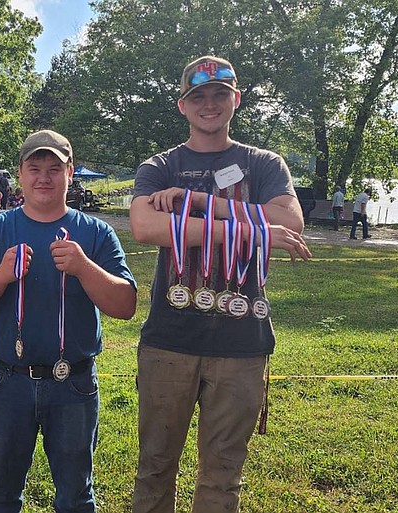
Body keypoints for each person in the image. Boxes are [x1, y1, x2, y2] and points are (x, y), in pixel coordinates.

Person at [128, 55, 311, 513]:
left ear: (236, 99)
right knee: (154, 467)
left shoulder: (263, 163)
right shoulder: (160, 166)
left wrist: (199, 204)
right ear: (182, 106)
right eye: (198, 97)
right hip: (170, 338)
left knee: (223, 476)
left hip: (243, 341)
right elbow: (145, 228)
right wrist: (246, 229)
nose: (209, 104)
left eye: (219, 94)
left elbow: (290, 220)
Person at [0, 129, 138, 513]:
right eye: (34, 168)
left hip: (73, 384)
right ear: (20, 173)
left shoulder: (95, 232)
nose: (44, 177)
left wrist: (85, 268)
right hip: (9, 383)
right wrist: (1, 274)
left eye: (54, 168)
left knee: (75, 497)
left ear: (70, 173)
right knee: (1, 495)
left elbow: (125, 305)